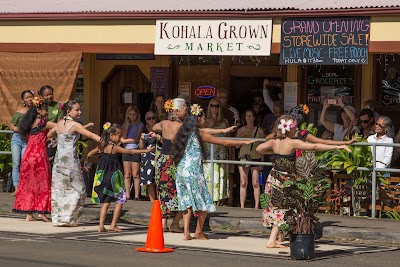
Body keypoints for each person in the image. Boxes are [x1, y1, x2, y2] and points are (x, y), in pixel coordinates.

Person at [256, 115, 351, 248]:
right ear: (289, 129)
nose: (297, 129)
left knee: (275, 206)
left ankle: (279, 237)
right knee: (284, 208)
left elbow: (258, 149)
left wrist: (276, 153)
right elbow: (315, 146)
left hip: (274, 176)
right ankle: (272, 240)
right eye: (295, 127)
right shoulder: (292, 142)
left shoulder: (275, 141)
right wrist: (339, 147)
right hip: (285, 179)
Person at [171, 104, 256, 240]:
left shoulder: (184, 132)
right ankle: (198, 232)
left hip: (181, 171)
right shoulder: (199, 134)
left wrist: (224, 129)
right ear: (199, 120)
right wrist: (245, 142)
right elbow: (224, 142)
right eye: (203, 118)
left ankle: (186, 233)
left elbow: (208, 131)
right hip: (193, 172)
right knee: (204, 203)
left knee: (186, 202)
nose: (205, 120)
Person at [88, 123, 153, 232]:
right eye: (119, 135)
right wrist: (145, 151)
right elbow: (130, 151)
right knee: (120, 200)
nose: (121, 138)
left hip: (103, 176)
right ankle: (113, 224)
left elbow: (89, 154)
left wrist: (99, 153)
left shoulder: (102, 146)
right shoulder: (115, 147)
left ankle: (101, 226)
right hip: (114, 177)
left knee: (106, 203)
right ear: (112, 136)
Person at [48, 100, 101, 227]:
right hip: (71, 160)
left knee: (60, 189)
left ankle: (59, 218)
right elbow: (91, 135)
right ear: (68, 111)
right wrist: (106, 142)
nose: (79, 112)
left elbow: (49, 134)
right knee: (78, 189)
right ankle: (69, 218)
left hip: (59, 160)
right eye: (77, 110)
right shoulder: (75, 125)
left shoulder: (60, 123)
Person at [13, 97, 55, 222]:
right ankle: (41, 211)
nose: (47, 112)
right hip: (39, 156)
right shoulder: (43, 123)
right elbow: (61, 127)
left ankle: (29, 214)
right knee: (43, 184)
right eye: (45, 109)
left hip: (27, 157)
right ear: (38, 110)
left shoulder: (28, 123)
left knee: (28, 184)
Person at [152, 98, 186, 232]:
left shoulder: (164, 123)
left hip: (162, 159)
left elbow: (153, 127)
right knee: (180, 191)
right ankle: (175, 223)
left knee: (163, 191)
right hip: (175, 161)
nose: (186, 111)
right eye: (184, 109)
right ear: (177, 111)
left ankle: (163, 223)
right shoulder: (181, 126)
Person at [236, 110, 265, 209]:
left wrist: (262, 161)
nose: (248, 118)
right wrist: (241, 136)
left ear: (254, 118)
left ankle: (256, 206)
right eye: (247, 116)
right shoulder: (240, 130)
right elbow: (236, 146)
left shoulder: (259, 130)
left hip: (255, 157)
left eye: (250, 116)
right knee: (243, 182)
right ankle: (242, 206)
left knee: (255, 182)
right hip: (244, 157)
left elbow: (263, 147)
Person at [216, 88, 240, 206]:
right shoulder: (212, 110)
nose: (222, 100)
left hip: (229, 144)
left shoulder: (232, 111)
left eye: (225, 98)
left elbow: (236, 128)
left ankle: (229, 199)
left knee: (230, 172)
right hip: (214, 146)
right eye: (220, 97)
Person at [203, 99, 230, 204]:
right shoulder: (205, 120)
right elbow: (202, 133)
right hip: (209, 152)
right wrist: (211, 124)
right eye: (212, 106)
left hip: (221, 152)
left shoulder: (225, 121)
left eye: (217, 106)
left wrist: (231, 153)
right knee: (209, 175)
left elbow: (229, 138)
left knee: (221, 174)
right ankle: (209, 198)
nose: (214, 108)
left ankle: (220, 199)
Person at [10, 90, 34, 196]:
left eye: (31, 97)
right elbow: (11, 125)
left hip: (27, 141)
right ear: (23, 100)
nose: (29, 99)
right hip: (17, 139)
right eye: (27, 97)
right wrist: (18, 129)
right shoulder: (19, 112)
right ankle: (16, 188)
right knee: (16, 163)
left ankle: (25, 187)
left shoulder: (35, 112)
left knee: (25, 163)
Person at [121, 106, 144, 200]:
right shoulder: (125, 124)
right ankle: (127, 194)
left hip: (135, 149)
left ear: (137, 115)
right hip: (126, 150)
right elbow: (122, 138)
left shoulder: (140, 124)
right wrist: (126, 128)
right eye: (130, 114)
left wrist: (126, 140)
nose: (132, 116)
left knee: (136, 174)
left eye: (134, 114)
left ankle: (137, 195)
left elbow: (136, 138)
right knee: (127, 174)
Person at [38, 85, 64, 166]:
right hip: (39, 136)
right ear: (42, 96)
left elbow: (59, 124)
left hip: (52, 138)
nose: (49, 96)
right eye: (46, 95)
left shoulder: (58, 106)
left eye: (51, 94)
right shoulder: (38, 106)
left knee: (50, 162)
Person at [139, 111, 161, 202]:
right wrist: (141, 139)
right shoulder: (144, 131)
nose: (151, 120)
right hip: (147, 158)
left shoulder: (161, 130)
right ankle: (153, 203)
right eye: (149, 118)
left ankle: (160, 201)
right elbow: (141, 148)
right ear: (145, 120)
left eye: (153, 118)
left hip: (158, 156)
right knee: (149, 181)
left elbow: (167, 143)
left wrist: (157, 137)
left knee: (159, 180)